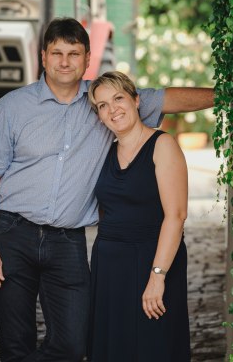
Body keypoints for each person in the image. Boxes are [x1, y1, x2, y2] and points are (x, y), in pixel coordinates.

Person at [0, 17, 213, 362]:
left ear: (88, 58)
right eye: (57, 53)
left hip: (67, 240)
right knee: (15, 342)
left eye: (74, 53)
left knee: (74, 344)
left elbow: (171, 98)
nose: (65, 61)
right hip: (13, 233)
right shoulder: (11, 108)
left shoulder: (103, 100)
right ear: (43, 57)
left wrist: (230, 95)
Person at [86, 71, 190, 361]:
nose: (112, 109)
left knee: (151, 345)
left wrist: (157, 277)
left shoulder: (162, 145)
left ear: (136, 100)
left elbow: (176, 216)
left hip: (152, 260)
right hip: (109, 267)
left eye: (118, 98)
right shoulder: (105, 151)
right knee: (113, 347)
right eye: (103, 105)